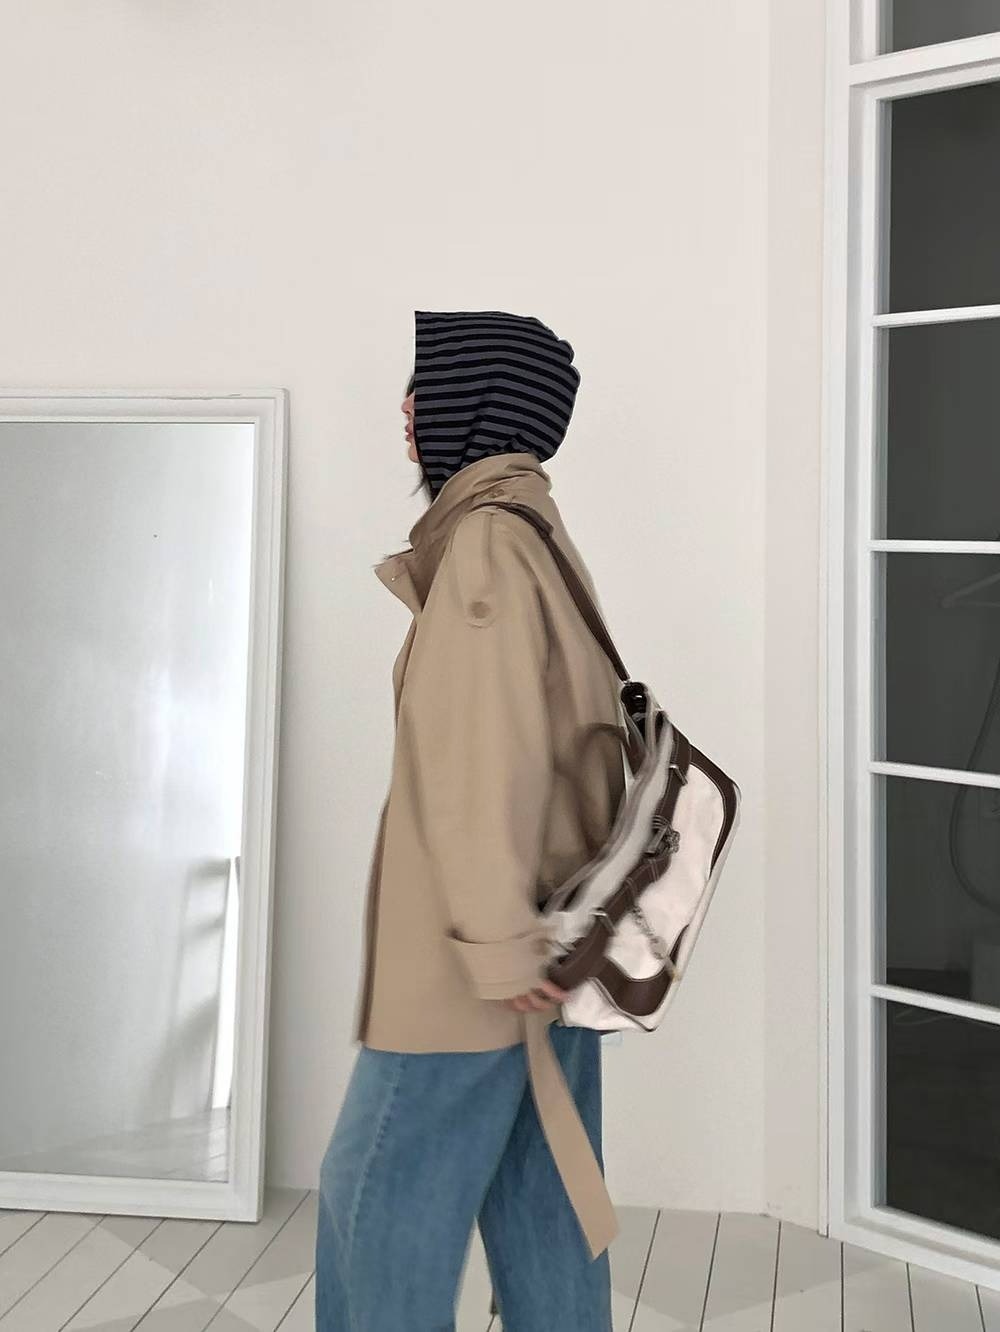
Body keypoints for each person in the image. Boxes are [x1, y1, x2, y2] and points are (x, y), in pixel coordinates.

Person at [315, 309, 627, 1331]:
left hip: (482, 962)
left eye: (428, 387)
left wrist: (497, 949)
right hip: (552, 939)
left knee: (374, 1202)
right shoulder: (532, 528)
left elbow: (481, 756)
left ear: (475, 402)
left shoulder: (487, 548)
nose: (407, 411)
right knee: (541, 1201)